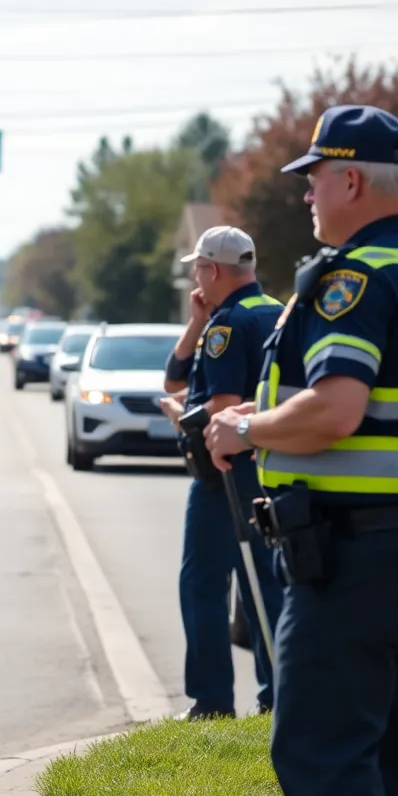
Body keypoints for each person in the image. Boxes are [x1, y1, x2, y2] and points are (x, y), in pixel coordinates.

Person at [203, 105, 398, 796]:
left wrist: (244, 428)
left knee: (318, 751)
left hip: (352, 554)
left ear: (351, 180)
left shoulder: (349, 281)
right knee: (386, 749)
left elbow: (334, 411)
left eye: (316, 178)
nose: (307, 194)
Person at [159, 226, 284, 720]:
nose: (194, 276)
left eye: (198, 267)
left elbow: (221, 408)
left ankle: (210, 702)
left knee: (205, 585)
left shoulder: (229, 325)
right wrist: (196, 321)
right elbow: (175, 374)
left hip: (225, 471)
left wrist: (177, 415)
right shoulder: (272, 309)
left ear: (213, 269)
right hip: (269, 463)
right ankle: (277, 694)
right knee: (263, 585)